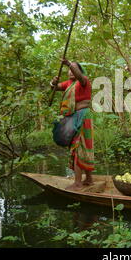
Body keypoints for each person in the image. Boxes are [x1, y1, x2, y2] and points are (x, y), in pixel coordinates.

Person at [50, 59, 95, 190]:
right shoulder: (68, 84)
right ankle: (89, 179)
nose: (70, 71)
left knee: (79, 147)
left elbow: (80, 77)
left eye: (74, 68)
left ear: (79, 71)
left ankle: (78, 183)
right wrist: (53, 82)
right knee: (80, 147)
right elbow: (54, 87)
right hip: (74, 117)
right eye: (69, 69)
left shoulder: (83, 81)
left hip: (83, 116)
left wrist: (69, 63)